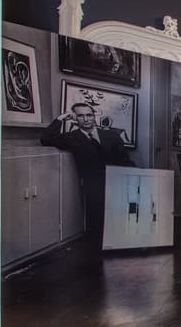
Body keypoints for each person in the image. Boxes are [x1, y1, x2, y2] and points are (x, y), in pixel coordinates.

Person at [40, 103, 134, 247]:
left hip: (116, 182)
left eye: (89, 115)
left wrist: (137, 176)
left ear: (94, 116)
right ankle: (98, 255)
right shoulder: (71, 138)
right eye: (81, 116)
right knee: (96, 225)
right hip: (93, 186)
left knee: (122, 219)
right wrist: (61, 118)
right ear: (75, 119)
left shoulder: (111, 136)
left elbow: (124, 160)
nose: (86, 119)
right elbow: (45, 139)